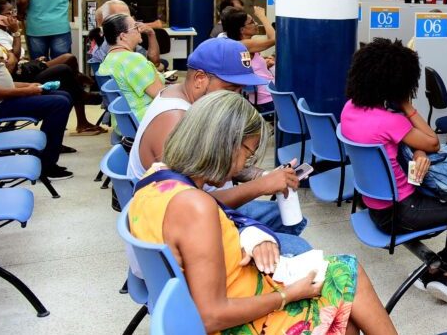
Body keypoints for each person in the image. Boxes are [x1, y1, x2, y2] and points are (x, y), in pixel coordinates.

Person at [128, 91, 397, 335]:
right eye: (248, 154)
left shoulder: (155, 181)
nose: (243, 165)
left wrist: (250, 237)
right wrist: (287, 296)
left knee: (345, 317)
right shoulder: (196, 208)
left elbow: (200, 224)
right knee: (349, 275)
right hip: (235, 323)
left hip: (206, 307)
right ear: (226, 144)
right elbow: (211, 316)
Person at [341, 39, 447, 310]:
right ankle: (441, 267)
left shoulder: (350, 109)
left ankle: (446, 272)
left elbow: (415, 145)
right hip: (404, 213)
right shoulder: (391, 120)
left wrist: (418, 153)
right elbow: (433, 142)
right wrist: (407, 107)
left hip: (375, 208)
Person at [131, 37, 311, 256]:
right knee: (300, 250)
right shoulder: (175, 121)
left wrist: (264, 175)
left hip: (207, 211)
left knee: (287, 217)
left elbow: (213, 163)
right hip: (193, 226)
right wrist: (261, 186)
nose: (237, 97)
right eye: (230, 89)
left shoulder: (187, 101)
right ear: (200, 78)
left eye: (240, 90)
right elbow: (193, 204)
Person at [0, 5, 104, 138]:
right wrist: (26, 90)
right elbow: (10, 64)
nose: (13, 15)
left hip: (21, 73)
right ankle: (80, 92)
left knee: (65, 91)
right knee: (63, 78)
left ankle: (79, 89)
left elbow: (11, 57)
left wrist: (24, 76)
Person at [0, 25, 75, 180]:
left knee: (64, 96)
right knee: (58, 103)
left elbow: (0, 79)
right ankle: (45, 165)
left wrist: (28, 86)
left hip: (3, 97)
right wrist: (26, 91)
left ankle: (41, 155)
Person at [98, 13, 164, 121]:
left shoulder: (107, 61)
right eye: (135, 27)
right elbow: (161, 95)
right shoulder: (133, 60)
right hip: (146, 121)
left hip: (125, 123)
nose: (139, 29)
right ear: (123, 36)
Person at [221, 7, 275, 113]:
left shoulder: (238, 43)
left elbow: (249, 66)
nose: (256, 24)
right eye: (252, 22)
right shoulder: (245, 45)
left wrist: (264, 64)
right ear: (242, 30)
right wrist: (262, 16)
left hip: (261, 97)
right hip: (268, 99)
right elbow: (273, 38)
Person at [90, 0, 162, 68]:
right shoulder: (110, 47)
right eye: (122, 17)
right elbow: (151, 67)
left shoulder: (123, 40)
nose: (131, 20)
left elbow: (154, 63)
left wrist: (151, 34)